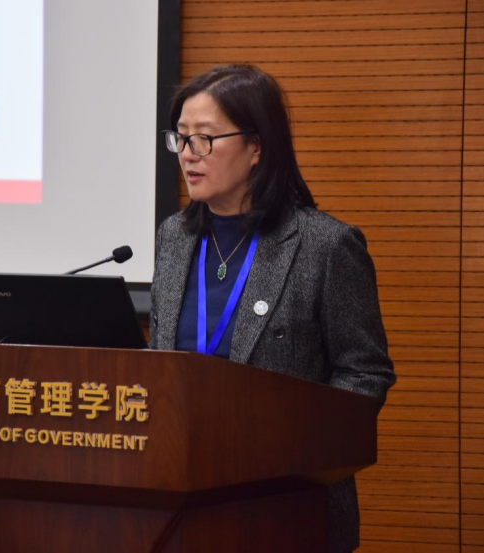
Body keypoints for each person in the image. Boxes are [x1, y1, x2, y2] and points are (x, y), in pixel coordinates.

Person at [149, 64, 396, 553]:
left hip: (287, 504)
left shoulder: (325, 246)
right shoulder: (174, 237)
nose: (188, 154)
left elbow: (364, 372)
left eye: (205, 139)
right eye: (181, 138)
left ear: (257, 147)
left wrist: (297, 447)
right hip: (182, 500)